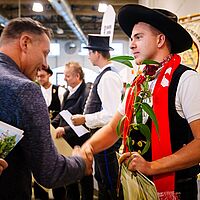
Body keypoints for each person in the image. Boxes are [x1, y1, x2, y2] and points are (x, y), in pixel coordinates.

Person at [78, 4, 200, 200]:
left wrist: (152, 166)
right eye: (131, 38)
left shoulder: (186, 79)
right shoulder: (138, 84)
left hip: (175, 191)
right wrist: (89, 147)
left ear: (160, 39)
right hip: (137, 187)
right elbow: (113, 128)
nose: (131, 44)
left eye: (138, 37)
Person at [0, 17, 93, 200]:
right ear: (25, 43)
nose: (45, 64)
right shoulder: (25, 89)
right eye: (44, 53)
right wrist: (81, 162)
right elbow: (49, 171)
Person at [71, 35, 124, 200]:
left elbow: (111, 114)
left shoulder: (108, 76)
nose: (88, 56)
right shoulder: (105, 74)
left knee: (109, 183)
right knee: (102, 180)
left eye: (89, 52)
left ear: (97, 53)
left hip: (106, 140)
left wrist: (85, 119)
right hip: (102, 138)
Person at [51, 62, 93, 200]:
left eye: (67, 76)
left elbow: (85, 119)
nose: (64, 78)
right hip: (67, 143)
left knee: (85, 177)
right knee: (70, 177)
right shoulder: (68, 91)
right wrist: (51, 124)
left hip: (80, 141)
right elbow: (63, 113)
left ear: (77, 76)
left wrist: (65, 129)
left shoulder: (86, 92)